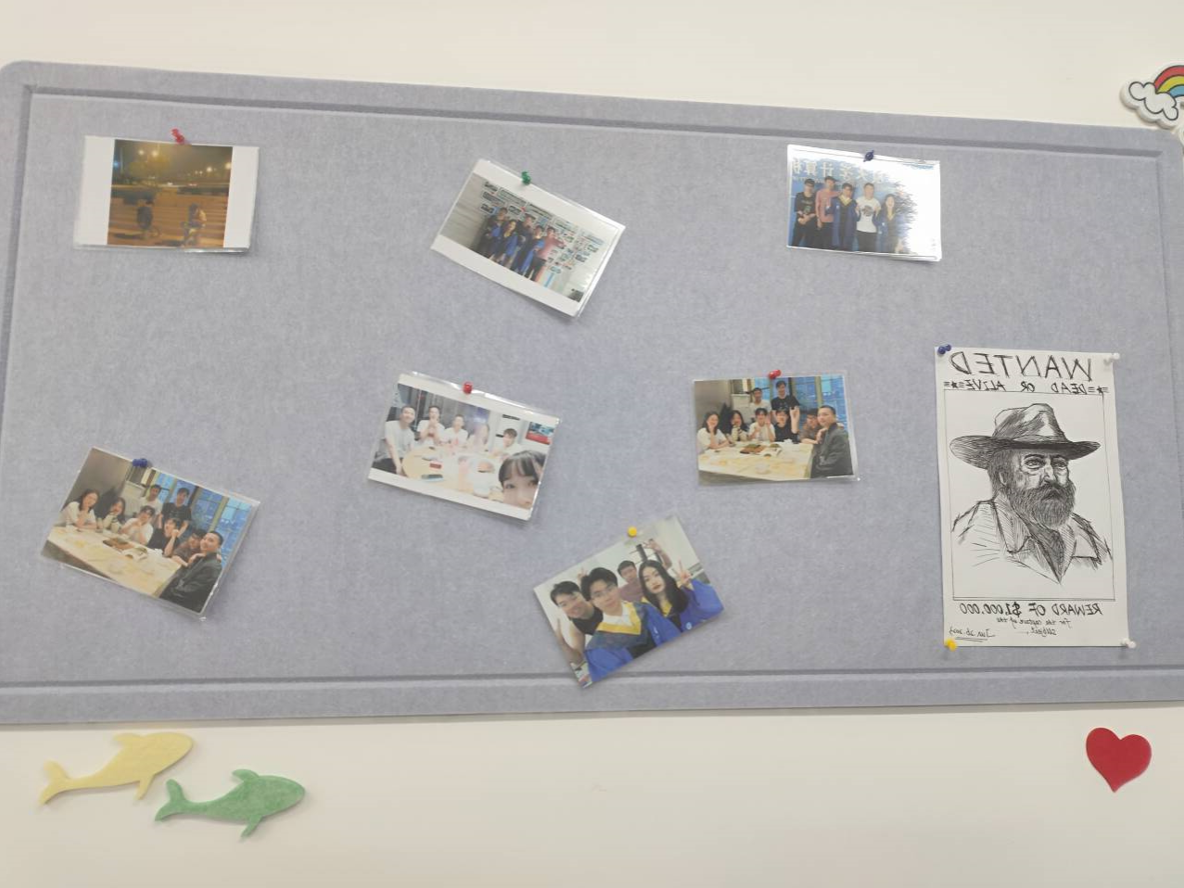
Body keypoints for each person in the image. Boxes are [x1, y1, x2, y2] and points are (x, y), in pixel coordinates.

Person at [949, 403, 1111, 585]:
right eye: (1034, 463)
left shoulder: (1084, 534)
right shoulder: (975, 535)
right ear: (1003, 475)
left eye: (1059, 464)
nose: (1051, 477)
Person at [579, 568, 680, 683]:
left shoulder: (645, 610)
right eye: (598, 595)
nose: (607, 597)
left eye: (610, 588)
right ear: (592, 602)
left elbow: (673, 637)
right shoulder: (599, 646)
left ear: (617, 588)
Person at [639, 559, 723, 633]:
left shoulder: (683, 595)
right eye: (647, 579)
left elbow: (715, 608)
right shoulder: (648, 612)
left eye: (657, 575)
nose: (653, 581)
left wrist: (690, 585)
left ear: (664, 575)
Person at [158, 530, 224, 612]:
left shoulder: (212, 567)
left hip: (182, 605)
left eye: (210, 540)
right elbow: (185, 578)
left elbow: (191, 592)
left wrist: (169, 590)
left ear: (218, 546)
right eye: (204, 539)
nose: (205, 542)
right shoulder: (203, 559)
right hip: (179, 596)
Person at [548, 581, 602, 669]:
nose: (571, 606)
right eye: (564, 604)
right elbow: (578, 659)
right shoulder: (575, 627)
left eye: (573, 598)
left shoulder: (601, 601)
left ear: (582, 594)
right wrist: (561, 642)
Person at [615, 539, 672, 603]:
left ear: (635, 570)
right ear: (622, 576)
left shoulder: (647, 579)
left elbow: (668, 564)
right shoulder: (622, 592)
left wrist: (661, 552)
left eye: (630, 571)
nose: (629, 575)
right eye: (625, 573)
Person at [809, 405, 853, 478]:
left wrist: (813, 471)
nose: (821, 417)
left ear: (834, 416)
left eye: (825, 414)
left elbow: (834, 462)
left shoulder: (839, 435)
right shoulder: (828, 431)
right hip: (827, 469)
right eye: (819, 415)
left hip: (837, 474)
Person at [376, 405, 417, 475]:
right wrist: (398, 466)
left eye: (412, 414)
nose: (409, 415)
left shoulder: (410, 433)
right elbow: (391, 446)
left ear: (414, 418)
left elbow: (411, 451)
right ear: (400, 415)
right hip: (386, 460)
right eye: (406, 412)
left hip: (401, 460)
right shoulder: (389, 425)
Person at [828, 182, 859, 251]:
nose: (846, 191)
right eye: (845, 189)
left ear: (851, 192)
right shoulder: (835, 200)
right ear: (842, 190)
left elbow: (856, 218)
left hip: (848, 227)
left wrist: (857, 211)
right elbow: (830, 211)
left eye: (849, 190)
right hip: (837, 226)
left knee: (846, 246)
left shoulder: (853, 203)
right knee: (837, 246)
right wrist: (827, 207)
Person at [791, 178, 818, 247]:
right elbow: (797, 209)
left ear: (813, 187)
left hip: (810, 223)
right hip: (800, 221)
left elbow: (816, 211)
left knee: (809, 244)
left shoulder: (815, 197)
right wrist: (804, 216)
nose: (809, 187)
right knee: (795, 243)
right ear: (804, 185)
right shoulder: (799, 195)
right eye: (807, 185)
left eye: (811, 186)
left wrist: (808, 218)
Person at [855, 182, 881, 252]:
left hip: (872, 230)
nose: (869, 190)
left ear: (873, 190)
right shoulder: (859, 200)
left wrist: (877, 212)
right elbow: (855, 216)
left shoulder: (876, 202)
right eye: (867, 188)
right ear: (864, 190)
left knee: (871, 250)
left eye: (871, 189)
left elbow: (878, 219)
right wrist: (856, 210)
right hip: (860, 229)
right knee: (861, 250)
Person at [814, 175, 838, 247]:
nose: (830, 184)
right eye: (828, 182)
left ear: (834, 184)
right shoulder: (820, 192)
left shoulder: (837, 193)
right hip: (822, 221)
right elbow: (817, 207)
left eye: (832, 183)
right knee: (820, 243)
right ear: (825, 183)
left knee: (829, 243)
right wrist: (818, 220)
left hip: (833, 223)